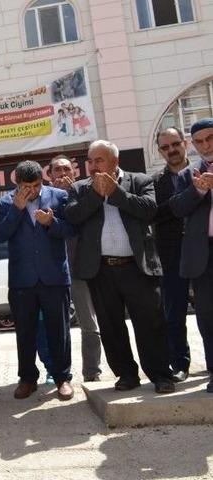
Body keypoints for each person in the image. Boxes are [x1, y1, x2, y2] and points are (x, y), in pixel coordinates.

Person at [64, 140, 175, 393]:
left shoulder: (140, 181)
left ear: (115, 161)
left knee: (150, 323)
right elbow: (72, 216)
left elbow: (149, 210)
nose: (92, 166)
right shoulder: (81, 188)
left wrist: (115, 193)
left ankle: (160, 375)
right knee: (111, 326)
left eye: (98, 160)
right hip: (101, 270)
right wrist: (96, 194)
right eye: (90, 161)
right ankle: (126, 374)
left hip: (137, 267)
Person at [0, 161, 76, 401]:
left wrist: (51, 223)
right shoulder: (6, 202)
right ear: (17, 184)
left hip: (54, 277)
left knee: (59, 331)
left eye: (37, 185)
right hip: (22, 280)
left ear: (43, 180)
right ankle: (27, 379)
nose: (33, 190)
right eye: (27, 186)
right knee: (25, 332)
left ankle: (62, 378)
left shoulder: (59, 197)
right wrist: (17, 210)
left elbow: (72, 230)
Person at [48, 155, 102, 382]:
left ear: (74, 172)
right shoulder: (46, 199)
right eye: (57, 170)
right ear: (49, 176)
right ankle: (56, 372)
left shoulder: (84, 193)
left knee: (90, 324)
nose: (62, 174)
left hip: (87, 268)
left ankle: (91, 372)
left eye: (66, 169)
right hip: (57, 272)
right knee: (55, 326)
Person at [170, 117, 213, 393]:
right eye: (199, 142)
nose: (205, 145)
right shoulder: (189, 174)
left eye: (210, 138)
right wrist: (198, 189)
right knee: (208, 315)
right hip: (203, 254)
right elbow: (176, 208)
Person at [151, 128, 192, 382]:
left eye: (175, 144)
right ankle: (179, 364)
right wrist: (187, 199)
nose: (171, 150)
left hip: (204, 250)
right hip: (170, 254)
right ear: (160, 151)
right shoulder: (155, 182)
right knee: (174, 313)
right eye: (165, 147)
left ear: (184, 143)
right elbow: (153, 213)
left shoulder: (202, 172)